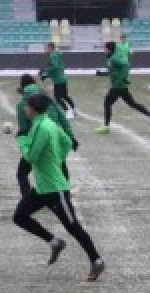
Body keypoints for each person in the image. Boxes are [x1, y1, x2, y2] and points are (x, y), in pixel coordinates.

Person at [12, 93, 105, 282]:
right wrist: (56, 159)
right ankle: (54, 242)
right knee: (19, 216)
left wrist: (21, 140)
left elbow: (31, 157)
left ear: (34, 108)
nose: (24, 109)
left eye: (27, 106)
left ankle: (96, 260)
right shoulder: (48, 123)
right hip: (43, 188)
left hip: (55, 189)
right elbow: (67, 142)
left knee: (73, 227)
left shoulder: (42, 127)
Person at [14, 74, 76, 198]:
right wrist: (71, 136)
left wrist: (21, 138)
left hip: (39, 137)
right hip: (56, 135)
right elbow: (62, 116)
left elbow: (24, 128)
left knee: (22, 173)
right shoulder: (46, 96)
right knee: (60, 165)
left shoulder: (22, 104)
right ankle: (65, 194)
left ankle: (27, 199)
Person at [95, 41, 150, 134]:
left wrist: (123, 78)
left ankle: (106, 127)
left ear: (109, 49)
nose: (103, 50)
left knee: (107, 103)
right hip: (121, 86)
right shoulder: (111, 58)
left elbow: (126, 65)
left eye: (105, 48)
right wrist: (102, 73)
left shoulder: (114, 58)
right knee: (132, 103)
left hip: (117, 86)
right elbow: (114, 71)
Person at [40, 42, 76, 118]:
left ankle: (68, 111)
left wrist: (45, 71)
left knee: (58, 97)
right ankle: (73, 109)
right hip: (61, 78)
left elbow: (55, 66)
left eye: (46, 47)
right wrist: (46, 75)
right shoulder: (56, 54)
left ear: (50, 47)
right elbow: (56, 68)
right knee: (65, 96)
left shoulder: (53, 55)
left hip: (58, 80)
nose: (44, 49)